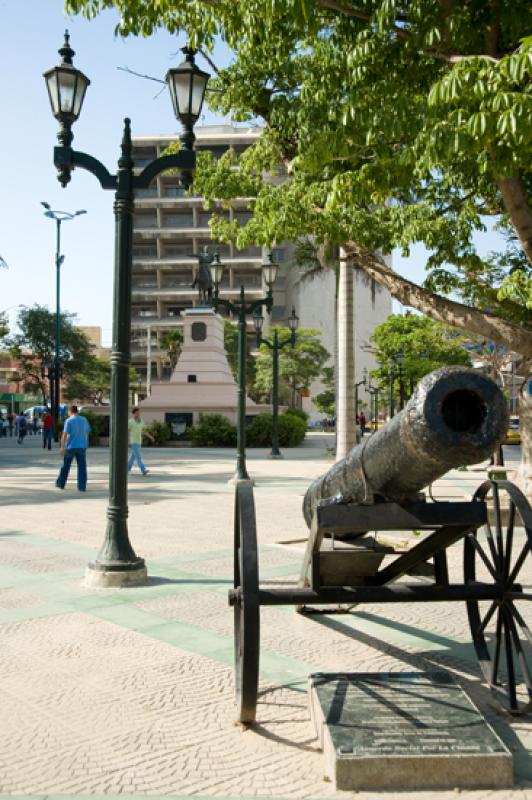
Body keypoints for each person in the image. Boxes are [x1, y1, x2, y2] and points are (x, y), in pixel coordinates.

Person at [56, 405, 91, 492]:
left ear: (70, 412)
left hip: (71, 446)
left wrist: (62, 446)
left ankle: (61, 483)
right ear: (77, 412)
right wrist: (86, 443)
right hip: (82, 446)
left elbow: (64, 435)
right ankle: (82, 486)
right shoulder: (84, 420)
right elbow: (87, 433)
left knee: (66, 466)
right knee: (82, 467)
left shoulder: (69, 421)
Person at [128, 406, 155, 475]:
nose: (138, 414)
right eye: (136, 413)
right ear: (133, 414)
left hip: (139, 441)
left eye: (138, 413)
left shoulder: (141, 421)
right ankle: (143, 469)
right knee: (138, 457)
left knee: (133, 457)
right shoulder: (130, 422)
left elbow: (144, 431)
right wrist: (128, 441)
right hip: (133, 441)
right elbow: (127, 431)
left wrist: (151, 437)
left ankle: (127, 469)